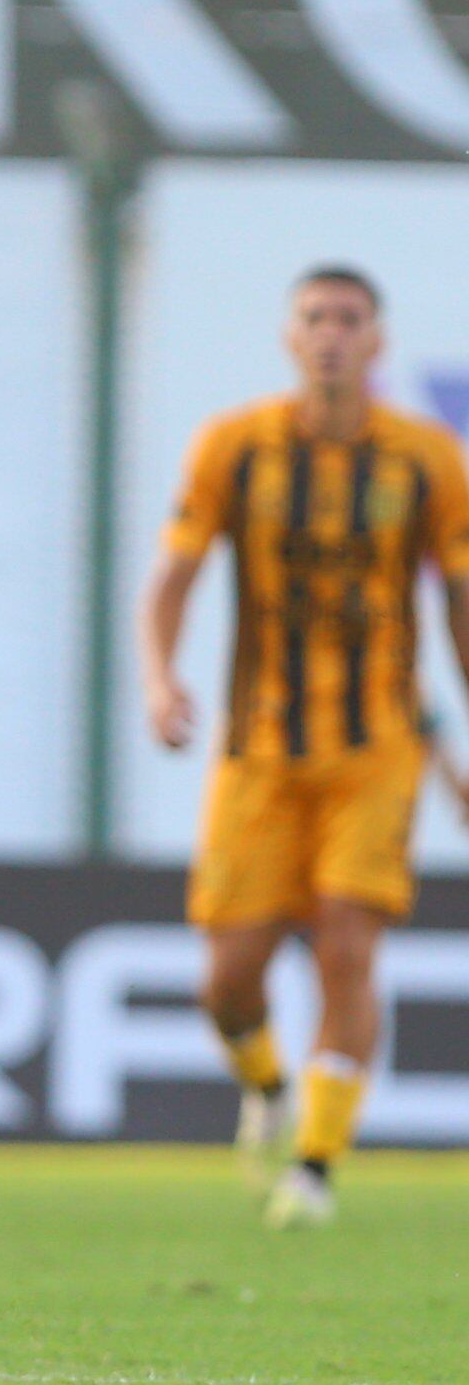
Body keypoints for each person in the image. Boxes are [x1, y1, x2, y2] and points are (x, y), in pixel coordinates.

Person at [140, 266, 469, 1229]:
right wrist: (161, 679)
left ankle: (316, 1167)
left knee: (346, 950)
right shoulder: (235, 447)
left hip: (375, 754)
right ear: (290, 338)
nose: (330, 334)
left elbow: (451, 609)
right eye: (314, 318)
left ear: (377, 340)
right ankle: (269, 1085)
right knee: (227, 978)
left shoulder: (426, 460)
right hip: (258, 753)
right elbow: (172, 576)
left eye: (349, 320)